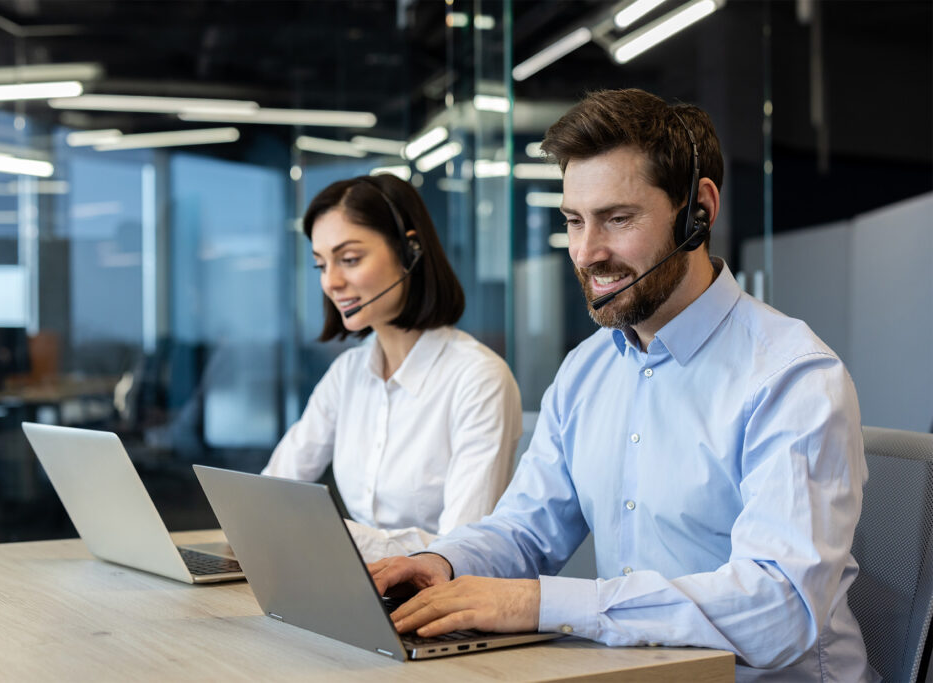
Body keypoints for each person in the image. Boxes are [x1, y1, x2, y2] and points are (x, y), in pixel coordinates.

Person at [369, 89, 874, 682]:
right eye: (574, 221)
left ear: (699, 212)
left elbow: (780, 607)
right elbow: (527, 529)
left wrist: (540, 603)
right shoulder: (587, 370)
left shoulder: (791, 376)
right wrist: (442, 563)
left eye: (618, 219)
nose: (587, 253)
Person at [262, 174, 522, 562]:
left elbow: (461, 551)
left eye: (349, 259)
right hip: (355, 588)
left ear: (409, 251)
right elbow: (270, 493)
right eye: (320, 264)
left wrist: (338, 538)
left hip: (438, 604)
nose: (331, 282)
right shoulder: (348, 373)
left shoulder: (478, 378)